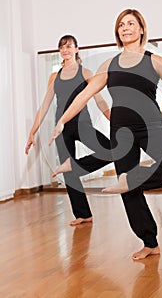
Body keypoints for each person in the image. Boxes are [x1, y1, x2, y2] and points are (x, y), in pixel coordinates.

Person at [48, 10, 162, 260]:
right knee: (129, 192)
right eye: (121, 25)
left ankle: (132, 178)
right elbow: (84, 94)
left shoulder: (155, 61)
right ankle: (150, 242)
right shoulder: (109, 65)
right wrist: (62, 119)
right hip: (120, 131)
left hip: (150, 127)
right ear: (118, 32)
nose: (125, 28)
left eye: (130, 24)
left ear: (141, 30)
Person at [25, 35, 113, 226]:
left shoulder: (86, 72)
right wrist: (32, 132)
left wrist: (113, 119)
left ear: (76, 49)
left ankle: (74, 165)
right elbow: (45, 106)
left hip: (83, 125)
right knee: (68, 175)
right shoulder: (54, 77)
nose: (65, 50)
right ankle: (83, 214)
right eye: (62, 47)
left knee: (110, 150)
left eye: (68, 46)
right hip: (62, 128)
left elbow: (100, 101)